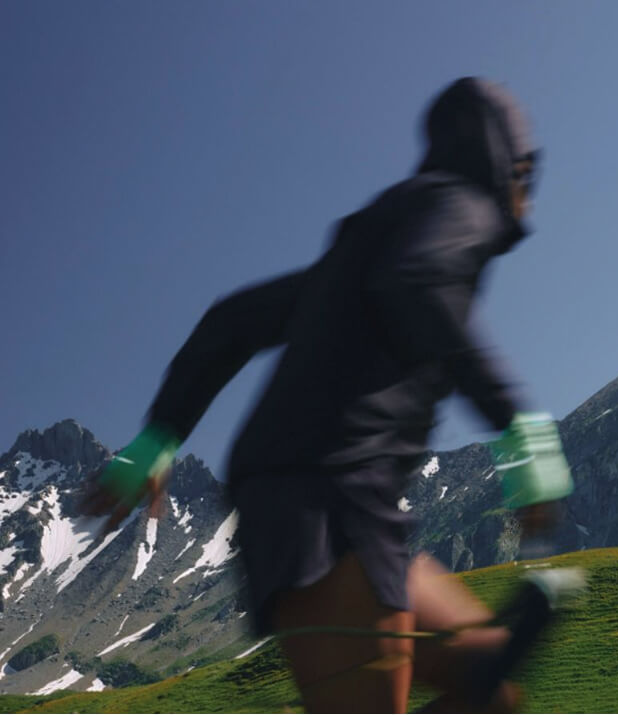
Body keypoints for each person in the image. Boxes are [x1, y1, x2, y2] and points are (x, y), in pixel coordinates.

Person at [82, 77, 573, 713]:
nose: (529, 193)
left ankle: (494, 655)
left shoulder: (374, 237)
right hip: (324, 498)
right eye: (528, 170)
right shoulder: (461, 205)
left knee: (490, 692)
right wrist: (519, 429)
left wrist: (159, 437)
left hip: (327, 495)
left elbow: (232, 322)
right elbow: (417, 283)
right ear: (505, 159)